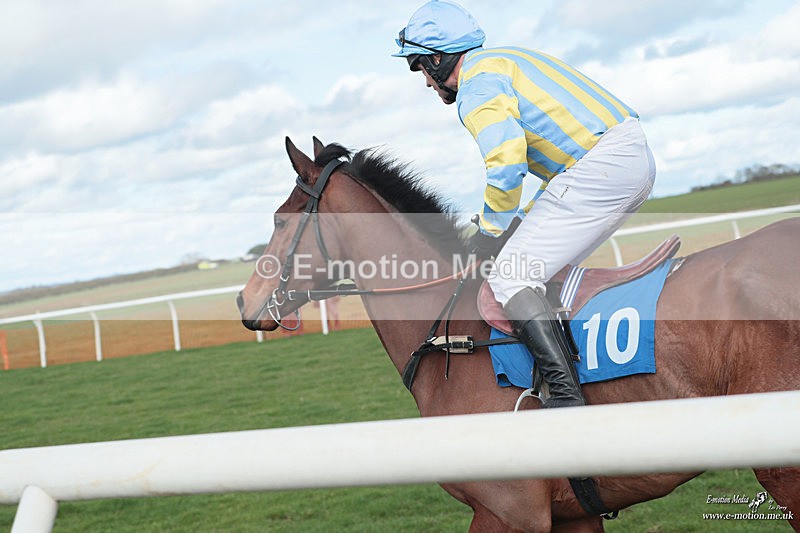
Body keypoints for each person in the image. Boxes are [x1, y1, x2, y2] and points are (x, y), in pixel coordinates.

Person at [393, 0, 656, 408]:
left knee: (512, 276)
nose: (425, 82)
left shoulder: (476, 85)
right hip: (619, 159)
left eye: (419, 67)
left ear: (439, 60)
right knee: (532, 265)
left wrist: (489, 233)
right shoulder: (507, 58)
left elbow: (506, 162)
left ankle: (567, 399)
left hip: (601, 167)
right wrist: (516, 221)